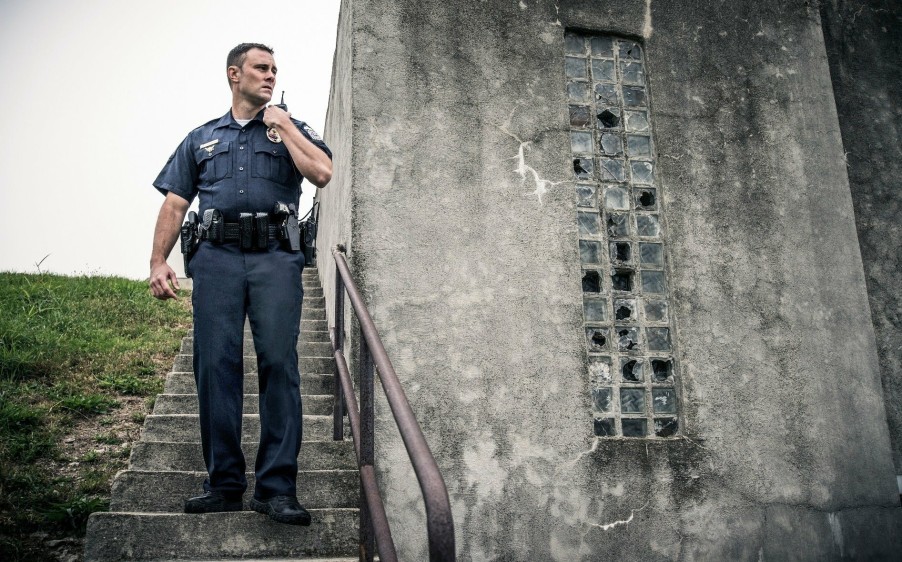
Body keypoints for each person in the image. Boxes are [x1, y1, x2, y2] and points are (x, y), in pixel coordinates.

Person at [148, 43, 332, 526]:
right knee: (215, 366)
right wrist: (157, 262)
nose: (270, 75)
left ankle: (276, 489)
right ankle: (224, 484)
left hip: (275, 257)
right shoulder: (201, 138)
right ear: (235, 74)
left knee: (279, 363)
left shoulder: (291, 131)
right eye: (261, 68)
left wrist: (285, 125)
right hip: (217, 259)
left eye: (275, 70)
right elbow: (174, 203)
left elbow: (323, 172)